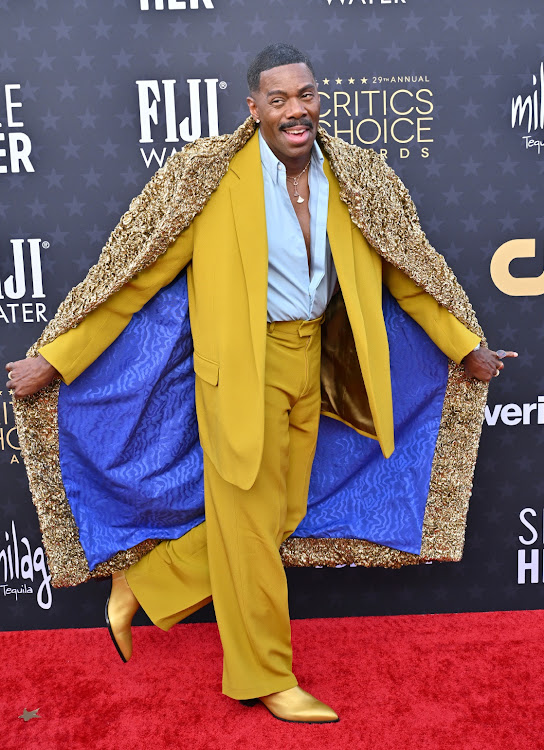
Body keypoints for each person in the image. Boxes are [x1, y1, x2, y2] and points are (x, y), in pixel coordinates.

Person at [5, 44, 516, 724]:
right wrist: (57, 359)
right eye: (278, 100)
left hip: (316, 368)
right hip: (238, 377)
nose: (294, 110)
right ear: (254, 109)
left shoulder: (355, 177)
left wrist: (465, 348)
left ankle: (148, 584)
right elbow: (134, 279)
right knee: (248, 528)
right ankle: (264, 674)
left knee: (280, 514)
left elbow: (405, 271)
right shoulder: (210, 180)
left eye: (303, 95)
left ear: (317, 98)